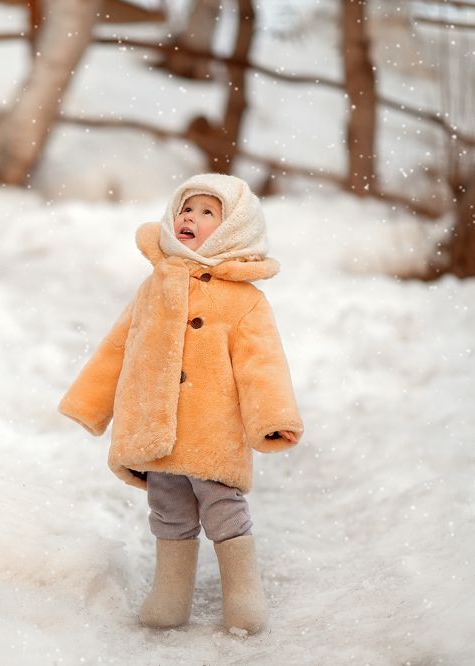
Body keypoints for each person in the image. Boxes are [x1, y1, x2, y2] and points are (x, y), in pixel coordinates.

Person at [58, 173, 303, 635]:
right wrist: (89, 402)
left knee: (222, 507)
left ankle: (244, 594)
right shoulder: (154, 286)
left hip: (213, 429)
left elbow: (263, 365)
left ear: (233, 229)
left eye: (208, 212)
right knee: (168, 509)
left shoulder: (244, 300)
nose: (191, 217)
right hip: (153, 425)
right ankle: (171, 598)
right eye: (186, 209)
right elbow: (118, 347)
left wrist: (273, 418)